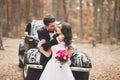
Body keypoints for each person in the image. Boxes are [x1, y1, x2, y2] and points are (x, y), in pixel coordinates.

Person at [26, 14, 62, 80]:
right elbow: (45, 46)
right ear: (46, 26)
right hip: (46, 56)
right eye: (52, 26)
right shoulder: (40, 31)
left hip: (59, 54)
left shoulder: (60, 28)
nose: (55, 27)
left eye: (55, 24)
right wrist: (56, 37)